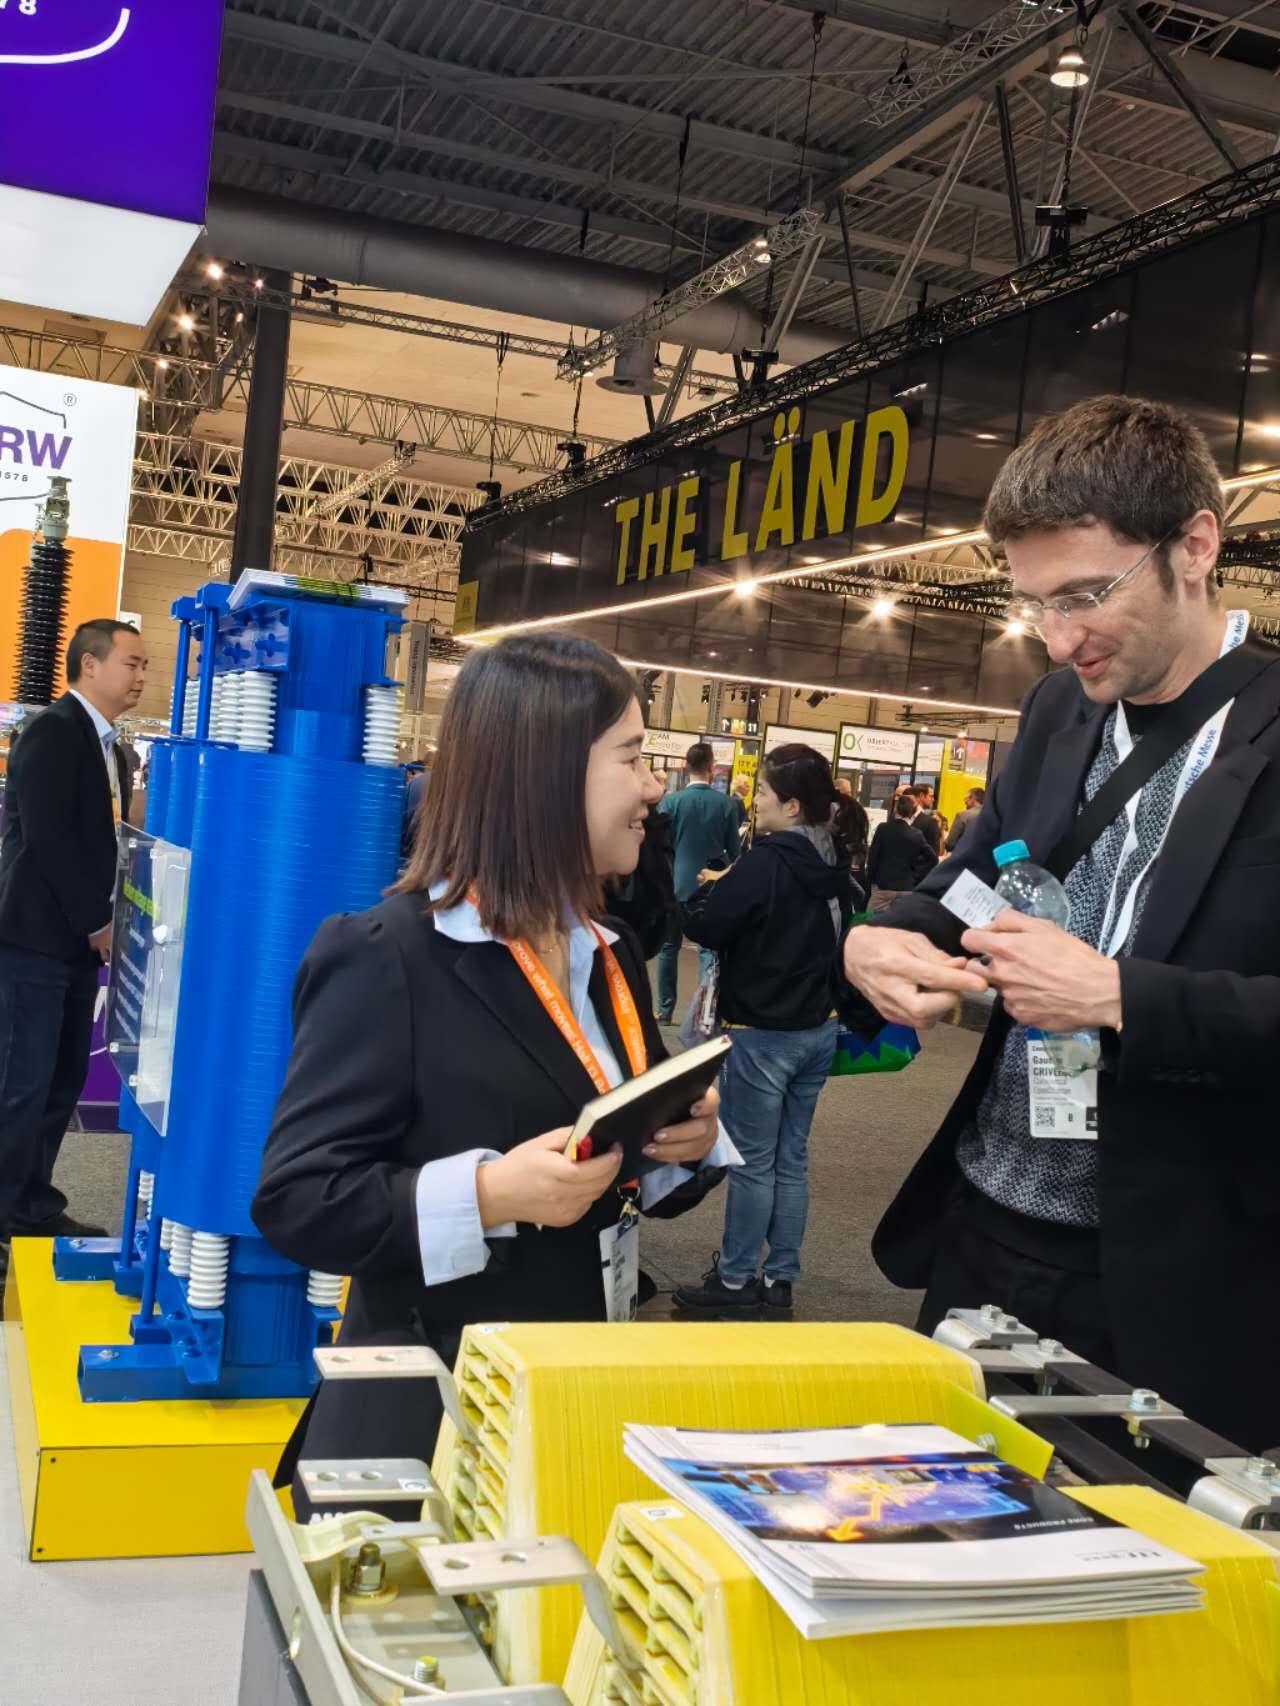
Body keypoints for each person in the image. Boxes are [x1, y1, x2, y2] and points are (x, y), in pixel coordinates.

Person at [841, 393, 1280, 1452]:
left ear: (1194, 546)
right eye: (1034, 601)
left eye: (1084, 594)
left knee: (1134, 1543)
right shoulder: (1057, 710)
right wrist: (883, 932)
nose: (1057, 636)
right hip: (985, 1222)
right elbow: (975, 876)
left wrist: (1124, 998)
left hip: (1182, 1270)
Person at [252, 633, 735, 1499]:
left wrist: (684, 1142)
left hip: (574, 1395)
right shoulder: (387, 957)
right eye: (631, 758)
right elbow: (299, 1199)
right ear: (545, 772)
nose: (652, 787)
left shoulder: (610, 952)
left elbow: (617, 1160)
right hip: (432, 1418)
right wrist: (486, 1196)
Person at [673, 744, 855, 1315]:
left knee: (751, 1161)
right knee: (791, 1159)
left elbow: (709, 926)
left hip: (760, 1031)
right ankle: (779, 1280)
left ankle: (733, 1283)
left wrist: (703, 892)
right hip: (818, 1029)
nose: (756, 802)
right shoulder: (834, 864)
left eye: (766, 794)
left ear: (793, 805)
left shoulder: (765, 862)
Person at [0, 619, 146, 1284]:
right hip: (33, 942)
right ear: (90, 664)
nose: (141, 676)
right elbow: (50, 841)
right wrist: (96, 922)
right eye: (131, 663)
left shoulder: (112, 749)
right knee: (20, 1086)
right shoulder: (53, 733)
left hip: (72, 950)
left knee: (59, 1084)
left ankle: (30, 1206)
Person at [654, 742, 741, 1023]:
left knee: (668, 948)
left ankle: (664, 1010)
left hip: (674, 887)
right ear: (711, 767)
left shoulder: (671, 802)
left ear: (687, 766)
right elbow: (733, 852)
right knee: (707, 951)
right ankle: (705, 1011)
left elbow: (660, 847)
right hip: (710, 890)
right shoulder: (725, 804)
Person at [865, 792, 937, 908]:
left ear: (895, 809)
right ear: (911, 813)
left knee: (872, 917)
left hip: (883, 887)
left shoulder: (883, 829)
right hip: (906, 887)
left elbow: (873, 857)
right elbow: (933, 859)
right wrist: (915, 875)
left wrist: (871, 879)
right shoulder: (916, 834)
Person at [945, 787, 985, 852]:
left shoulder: (962, 816)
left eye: (966, 798)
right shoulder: (991, 816)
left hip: (964, 856)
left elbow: (950, 844)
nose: (965, 801)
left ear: (973, 798)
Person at [906, 782, 942, 853]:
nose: (933, 800)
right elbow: (934, 852)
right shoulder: (930, 822)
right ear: (922, 796)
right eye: (931, 796)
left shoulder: (898, 816)